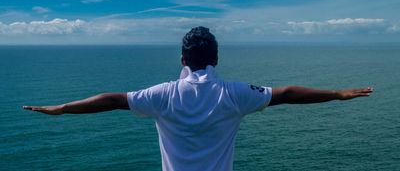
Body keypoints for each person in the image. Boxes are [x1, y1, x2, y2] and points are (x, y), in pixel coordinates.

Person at [23, 26, 374, 171]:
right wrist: (338, 94)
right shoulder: (234, 94)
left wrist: (64, 108)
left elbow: (113, 100)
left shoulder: (162, 95)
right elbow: (287, 94)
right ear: (216, 59)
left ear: (181, 60)